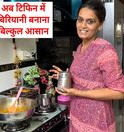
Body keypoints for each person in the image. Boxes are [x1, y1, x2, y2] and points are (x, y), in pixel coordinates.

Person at [50, 0, 124, 132]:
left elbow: (119, 92)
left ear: (100, 25)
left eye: (90, 21)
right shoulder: (80, 47)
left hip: (97, 121)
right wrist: (66, 77)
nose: (83, 25)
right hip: (78, 116)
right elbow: (88, 78)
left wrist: (77, 92)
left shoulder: (105, 50)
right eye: (80, 20)